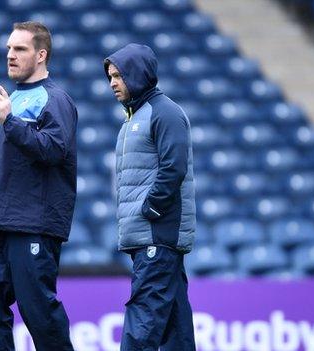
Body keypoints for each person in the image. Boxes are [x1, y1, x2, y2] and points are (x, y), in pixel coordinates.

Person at [0, 21, 77, 351]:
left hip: (33, 223)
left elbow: (52, 150)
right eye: (8, 49)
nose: (10, 55)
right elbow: (0, 166)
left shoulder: (56, 100)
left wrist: (10, 121)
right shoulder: (10, 101)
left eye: (20, 49)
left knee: (38, 311)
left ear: (41, 55)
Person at [104, 43, 197, 351]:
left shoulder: (164, 112)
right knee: (176, 330)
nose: (113, 84)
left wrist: (151, 209)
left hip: (156, 236)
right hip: (150, 237)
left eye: (118, 76)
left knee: (142, 323)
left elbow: (174, 167)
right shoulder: (134, 117)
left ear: (137, 74)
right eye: (110, 77)